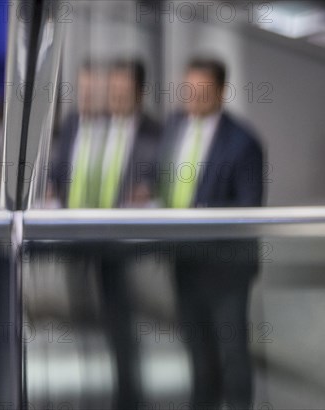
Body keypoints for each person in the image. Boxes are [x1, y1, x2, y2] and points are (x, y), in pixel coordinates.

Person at [52, 58, 162, 410]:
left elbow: (165, 182)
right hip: (75, 241)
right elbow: (58, 173)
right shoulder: (77, 124)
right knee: (83, 324)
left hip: (124, 251)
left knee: (122, 331)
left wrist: (150, 192)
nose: (111, 96)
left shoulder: (154, 134)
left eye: (120, 90)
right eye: (106, 89)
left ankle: (128, 398)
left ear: (138, 93)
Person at [160, 58, 264, 409]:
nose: (192, 97)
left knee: (233, 356)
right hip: (184, 261)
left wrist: (202, 215)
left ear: (220, 91)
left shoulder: (243, 142)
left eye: (201, 90)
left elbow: (250, 208)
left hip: (226, 269)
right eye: (187, 88)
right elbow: (165, 182)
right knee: (198, 355)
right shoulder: (174, 126)